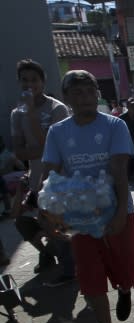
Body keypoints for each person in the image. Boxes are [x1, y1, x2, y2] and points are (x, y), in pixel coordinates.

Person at [42, 70, 134, 323]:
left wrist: (122, 211)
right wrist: (49, 212)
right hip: (80, 222)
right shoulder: (57, 132)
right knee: (90, 278)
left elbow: (120, 170)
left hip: (116, 214)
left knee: (124, 267)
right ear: (67, 98)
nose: (83, 98)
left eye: (89, 92)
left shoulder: (114, 126)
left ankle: (124, 289)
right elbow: (51, 174)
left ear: (97, 94)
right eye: (76, 93)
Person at [10, 59, 71, 275]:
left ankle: (68, 268)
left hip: (58, 179)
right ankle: (47, 253)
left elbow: (53, 149)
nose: (29, 85)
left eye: (34, 80)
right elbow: (20, 151)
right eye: (24, 80)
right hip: (35, 179)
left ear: (43, 82)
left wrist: (33, 117)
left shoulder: (57, 109)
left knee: (58, 224)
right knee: (24, 221)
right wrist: (41, 148)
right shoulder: (16, 114)